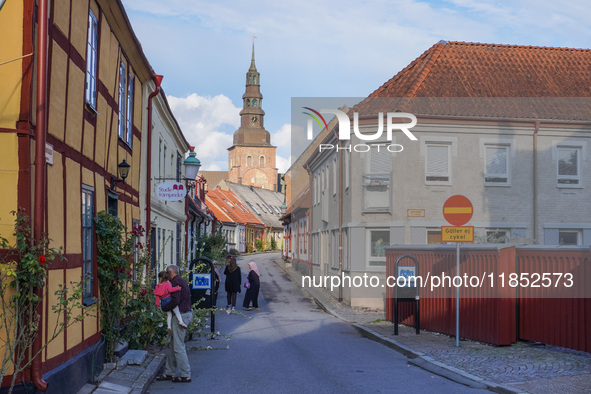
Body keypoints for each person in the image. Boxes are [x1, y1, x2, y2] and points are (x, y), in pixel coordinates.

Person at [156, 265, 192, 383]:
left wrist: (164, 307)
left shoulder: (176, 283)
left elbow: (175, 301)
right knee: (172, 345)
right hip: (183, 314)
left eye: (167, 273)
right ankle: (169, 372)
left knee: (178, 347)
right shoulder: (179, 281)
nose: (165, 275)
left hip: (180, 315)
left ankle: (185, 374)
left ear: (171, 273)